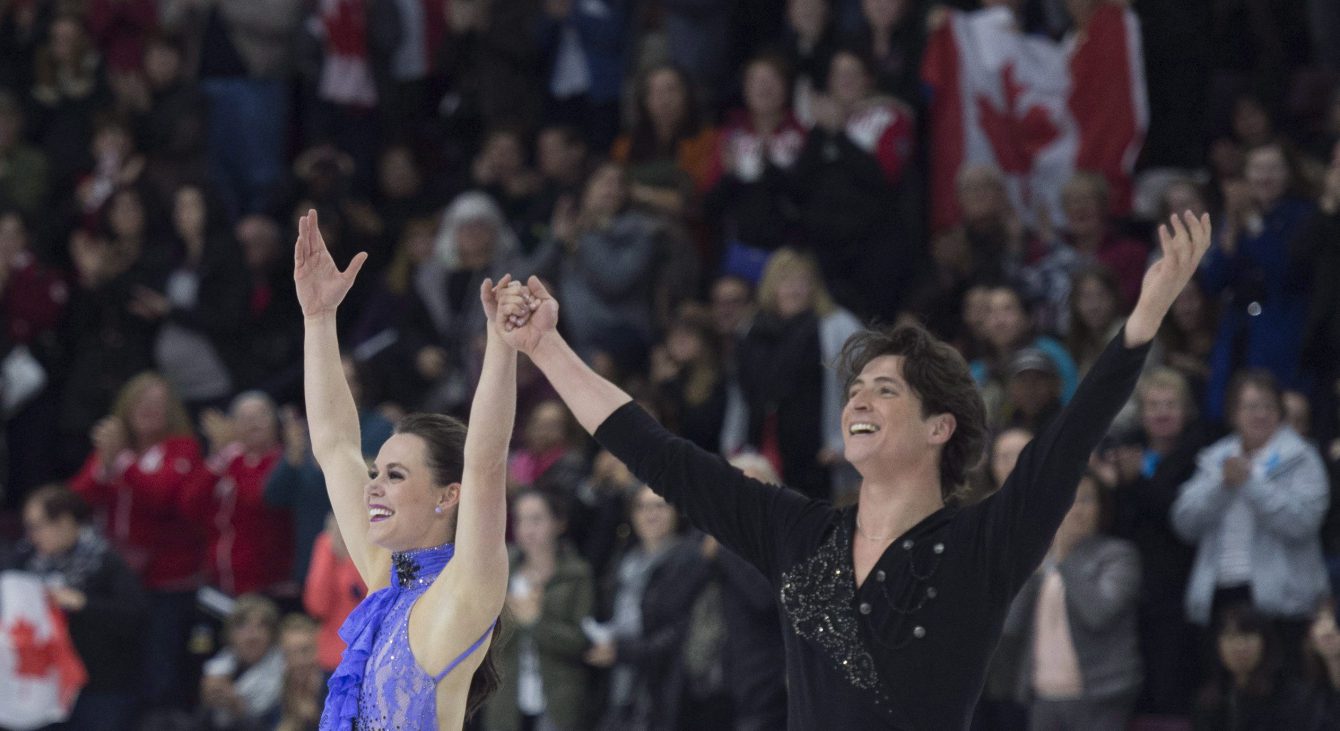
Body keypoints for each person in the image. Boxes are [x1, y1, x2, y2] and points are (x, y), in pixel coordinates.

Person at [489, 210, 1212, 727]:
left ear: (939, 427)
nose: (858, 398)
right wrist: (547, 349)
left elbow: (1069, 439)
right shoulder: (797, 531)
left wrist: (1141, 323)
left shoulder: (982, 544)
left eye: (885, 388)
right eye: (856, 389)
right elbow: (656, 452)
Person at [294, 209, 514, 729]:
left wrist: (502, 346)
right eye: (378, 471)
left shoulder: (466, 589)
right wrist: (319, 320)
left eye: (395, 475)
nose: (373, 485)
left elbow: (485, 463)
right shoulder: (383, 580)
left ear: (448, 495)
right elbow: (334, 444)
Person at [1171, 369, 1331, 677]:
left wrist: (1251, 484)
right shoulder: (1214, 458)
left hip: (1280, 603)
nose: (1260, 414)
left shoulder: (1302, 457)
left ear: (1280, 413)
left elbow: (1303, 522)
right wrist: (1221, 485)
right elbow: (1184, 523)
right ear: (1233, 414)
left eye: (1268, 406)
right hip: (1220, 594)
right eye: (1250, 406)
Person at [1002, 473, 1142, 730]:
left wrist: (1065, 556)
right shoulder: (1041, 559)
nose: (1076, 509)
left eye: (1086, 500)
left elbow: (1099, 613)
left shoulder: (1117, 555)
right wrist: (1030, 564)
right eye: (1068, 500)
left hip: (1102, 693)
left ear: (1101, 507)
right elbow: (1011, 624)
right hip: (1043, 693)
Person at [14, 485, 147, 731]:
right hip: (45, 687)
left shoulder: (105, 561)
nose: (32, 536)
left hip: (99, 687)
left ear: (64, 522)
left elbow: (133, 617)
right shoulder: (26, 560)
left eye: (37, 526)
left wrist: (83, 603)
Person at [485, 488, 595, 731]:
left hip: (558, 701)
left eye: (536, 519)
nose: (527, 529)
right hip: (507, 700)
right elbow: (484, 640)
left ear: (559, 523)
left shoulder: (577, 574)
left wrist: (536, 621)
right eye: (520, 520)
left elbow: (582, 642)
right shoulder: (500, 571)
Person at [199, 594, 286, 730]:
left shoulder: (284, 669)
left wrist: (237, 706)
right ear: (230, 634)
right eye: (243, 626)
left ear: (273, 635)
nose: (252, 635)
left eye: (261, 626)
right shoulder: (220, 664)